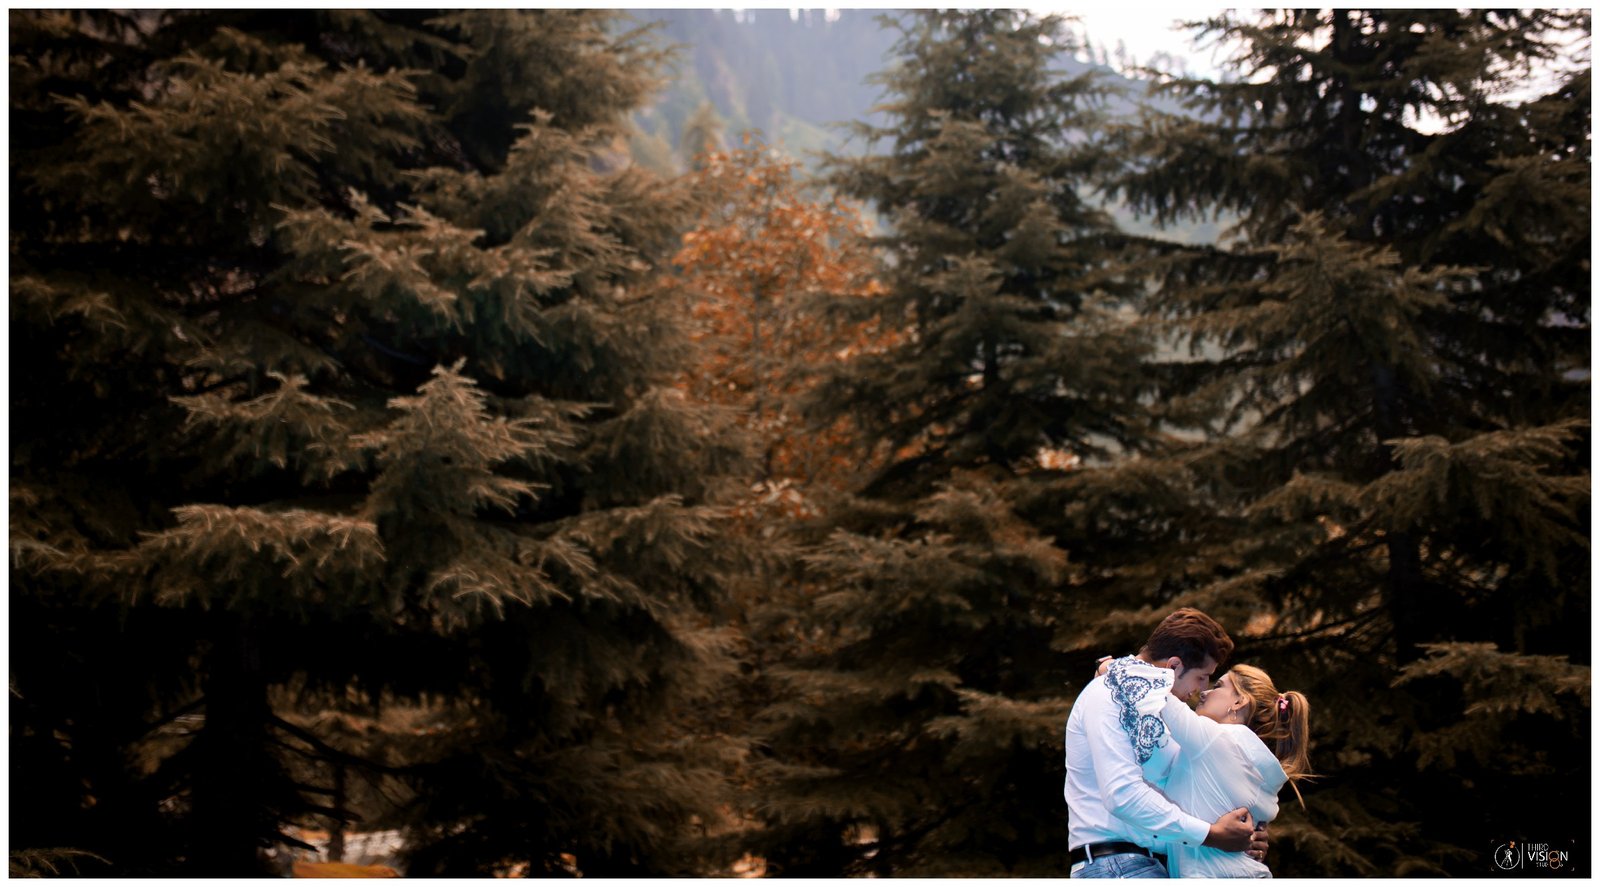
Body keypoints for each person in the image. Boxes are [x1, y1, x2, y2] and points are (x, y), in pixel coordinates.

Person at [1064, 608, 1266, 878]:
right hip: (1116, 865)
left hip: (1153, 865)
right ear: (1174, 666)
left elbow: (1189, 792)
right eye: (1201, 676)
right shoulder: (1108, 694)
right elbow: (1122, 795)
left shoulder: (1163, 712)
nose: (1201, 689)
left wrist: (1244, 834)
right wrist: (1211, 835)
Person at [1157, 664, 1313, 878]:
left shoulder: (1216, 740)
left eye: (1218, 686)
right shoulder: (1252, 762)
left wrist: (1116, 668)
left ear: (1239, 702)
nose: (1204, 692)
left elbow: (1158, 695)